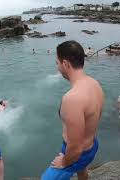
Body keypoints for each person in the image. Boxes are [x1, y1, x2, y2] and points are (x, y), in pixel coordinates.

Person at [41, 41, 104, 180]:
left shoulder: (72, 99)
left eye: (57, 63)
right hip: (92, 145)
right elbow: (97, 116)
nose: (57, 67)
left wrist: (64, 162)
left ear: (65, 64)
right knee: (82, 171)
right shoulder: (95, 84)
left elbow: (75, 148)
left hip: (78, 154)